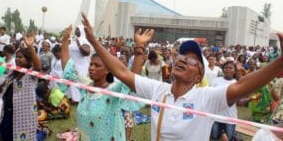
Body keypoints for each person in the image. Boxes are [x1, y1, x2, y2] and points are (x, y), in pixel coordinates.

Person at [81, 12, 283, 141]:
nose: (184, 60)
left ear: (199, 76)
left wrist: (280, 62)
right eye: (181, 56)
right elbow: (122, 72)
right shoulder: (158, 90)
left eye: (193, 60)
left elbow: (243, 85)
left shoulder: (206, 97)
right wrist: (94, 41)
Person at [60, 25, 153, 141]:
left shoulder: (113, 90)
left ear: (108, 69)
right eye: (91, 64)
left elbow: (133, 78)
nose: (91, 68)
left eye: (97, 65)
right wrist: (65, 41)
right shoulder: (85, 85)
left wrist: (139, 47)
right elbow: (68, 70)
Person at [0, 32, 41, 141]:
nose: (17, 59)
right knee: (6, 136)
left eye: (20, 57)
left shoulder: (30, 75)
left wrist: (30, 48)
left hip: (23, 117)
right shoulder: (13, 73)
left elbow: (38, 67)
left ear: (28, 61)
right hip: (7, 113)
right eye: (17, 57)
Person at [210, 61, 238, 141]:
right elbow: (211, 95)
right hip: (216, 115)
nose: (228, 69)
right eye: (226, 68)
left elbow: (239, 102)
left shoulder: (236, 83)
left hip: (230, 116)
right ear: (223, 70)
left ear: (234, 71)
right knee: (214, 136)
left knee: (228, 138)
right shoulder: (216, 81)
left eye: (231, 68)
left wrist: (250, 99)